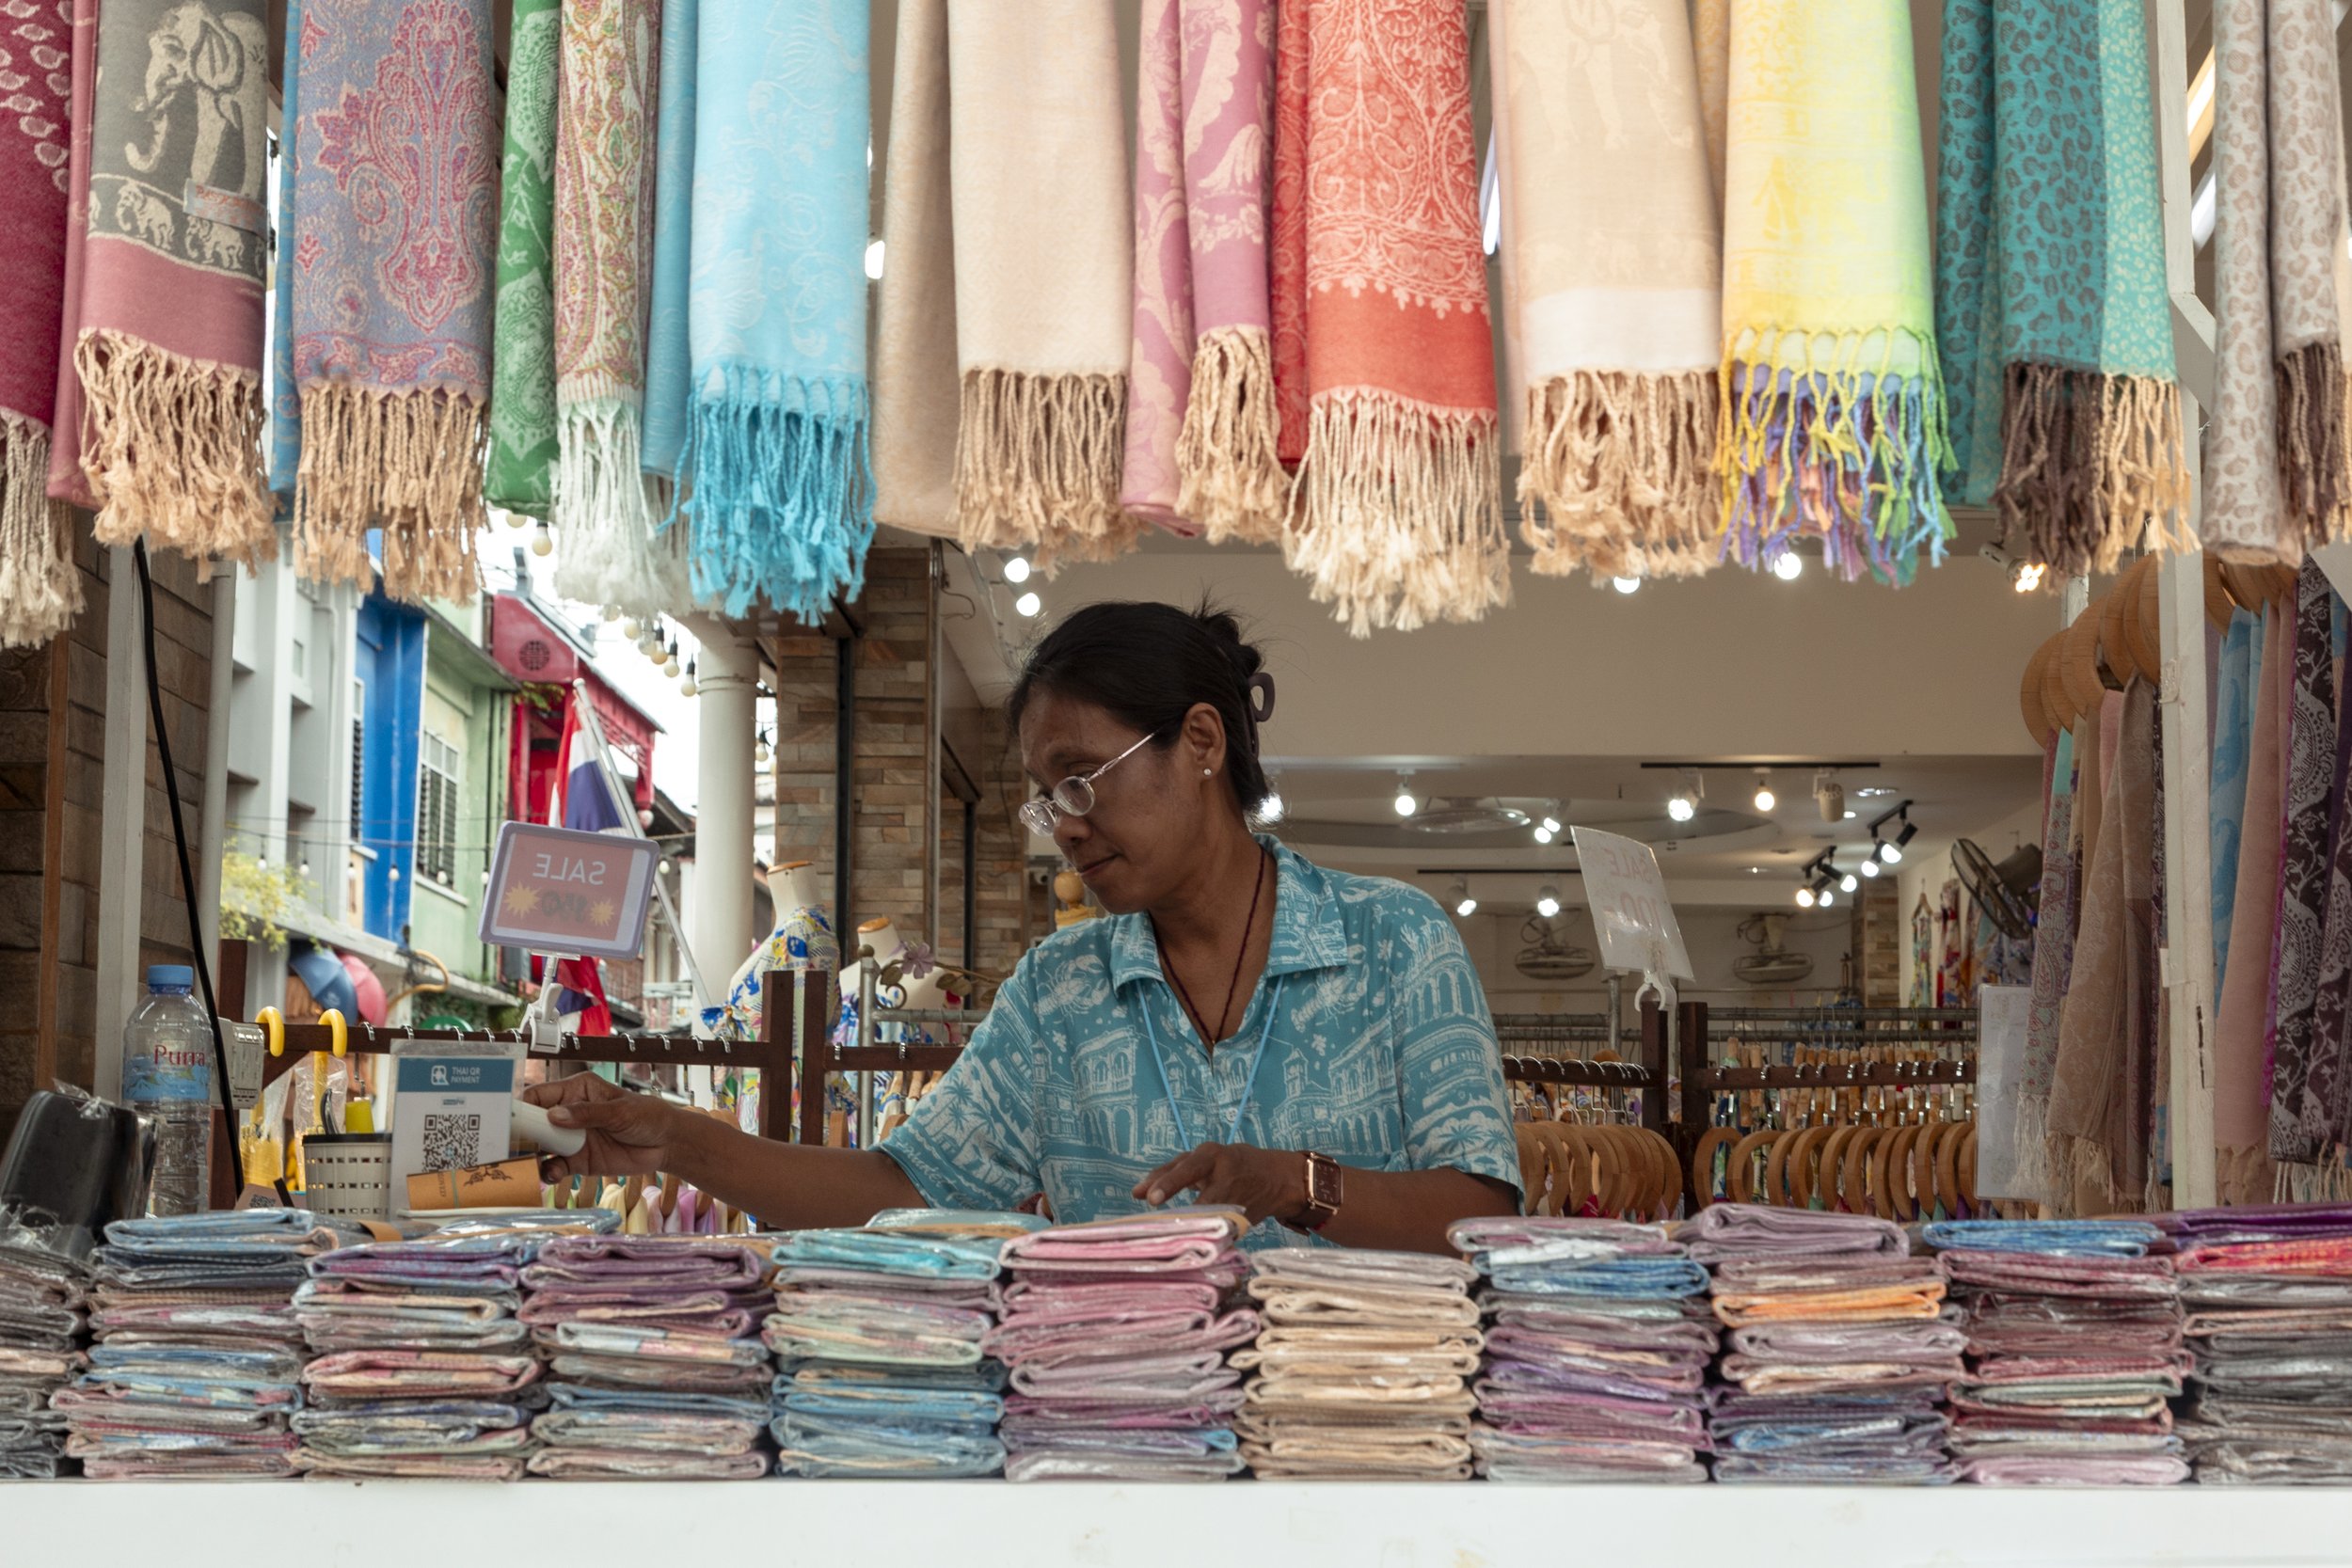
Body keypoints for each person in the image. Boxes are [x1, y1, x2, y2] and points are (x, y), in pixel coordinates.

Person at [528, 601, 1523, 1253]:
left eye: (1082, 779)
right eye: (1049, 800)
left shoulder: (1396, 943)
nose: (1068, 826)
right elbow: (896, 1189)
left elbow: (1481, 1217)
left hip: (1372, 1447)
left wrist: (1293, 1181)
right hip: (1116, 1450)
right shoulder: (1061, 989)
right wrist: (680, 1138)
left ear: (1202, 743)